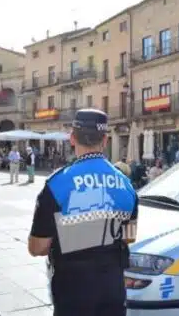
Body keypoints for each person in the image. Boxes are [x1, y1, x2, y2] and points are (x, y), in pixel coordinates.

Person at [28, 108, 138, 316]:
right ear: (105, 140)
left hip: (72, 291)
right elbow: (129, 237)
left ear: (72, 138)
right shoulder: (126, 184)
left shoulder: (57, 183)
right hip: (113, 289)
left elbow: (38, 247)